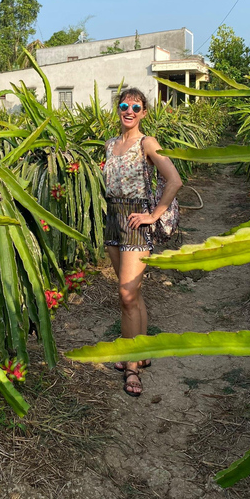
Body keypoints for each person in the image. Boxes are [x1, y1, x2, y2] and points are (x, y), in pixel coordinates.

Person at [102, 88, 182, 397]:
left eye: (136, 106)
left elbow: (174, 180)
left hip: (136, 222)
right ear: (118, 109)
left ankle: (132, 366)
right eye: (124, 105)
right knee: (133, 295)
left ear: (144, 112)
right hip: (113, 221)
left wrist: (154, 215)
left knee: (126, 294)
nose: (129, 110)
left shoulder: (146, 143)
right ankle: (143, 350)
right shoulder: (111, 145)